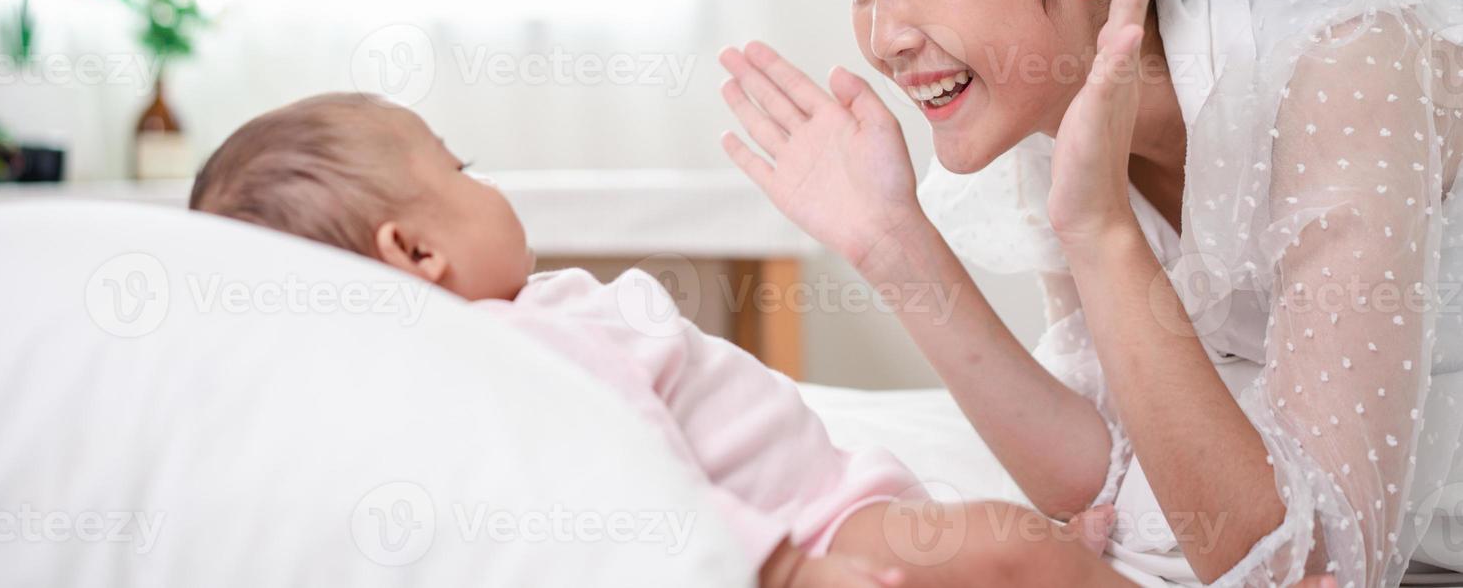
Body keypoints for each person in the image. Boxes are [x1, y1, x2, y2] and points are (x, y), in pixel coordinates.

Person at [718, 0, 1463, 588]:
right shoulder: (1055, 81)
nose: (883, 40)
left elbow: (1314, 571)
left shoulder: (1345, 65)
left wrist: (1101, 226)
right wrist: (894, 243)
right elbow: (1093, 470)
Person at [188, 92, 1127, 588]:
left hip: (823, 511)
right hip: (816, 530)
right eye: (458, 168)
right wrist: (785, 568)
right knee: (1012, 553)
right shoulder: (520, 343)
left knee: (1005, 546)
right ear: (417, 250)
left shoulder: (495, 341)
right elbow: (629, 472)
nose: (485, 183)